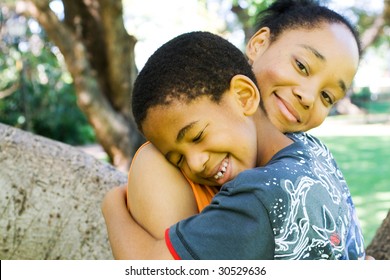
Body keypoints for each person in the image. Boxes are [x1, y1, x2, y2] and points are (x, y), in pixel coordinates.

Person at [102, 29, 365, 259]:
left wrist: (112, 205)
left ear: (244, 96)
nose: (194, 163)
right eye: (178, 159)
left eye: (197, 136)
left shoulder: (257, 197)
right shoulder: (315, 154)